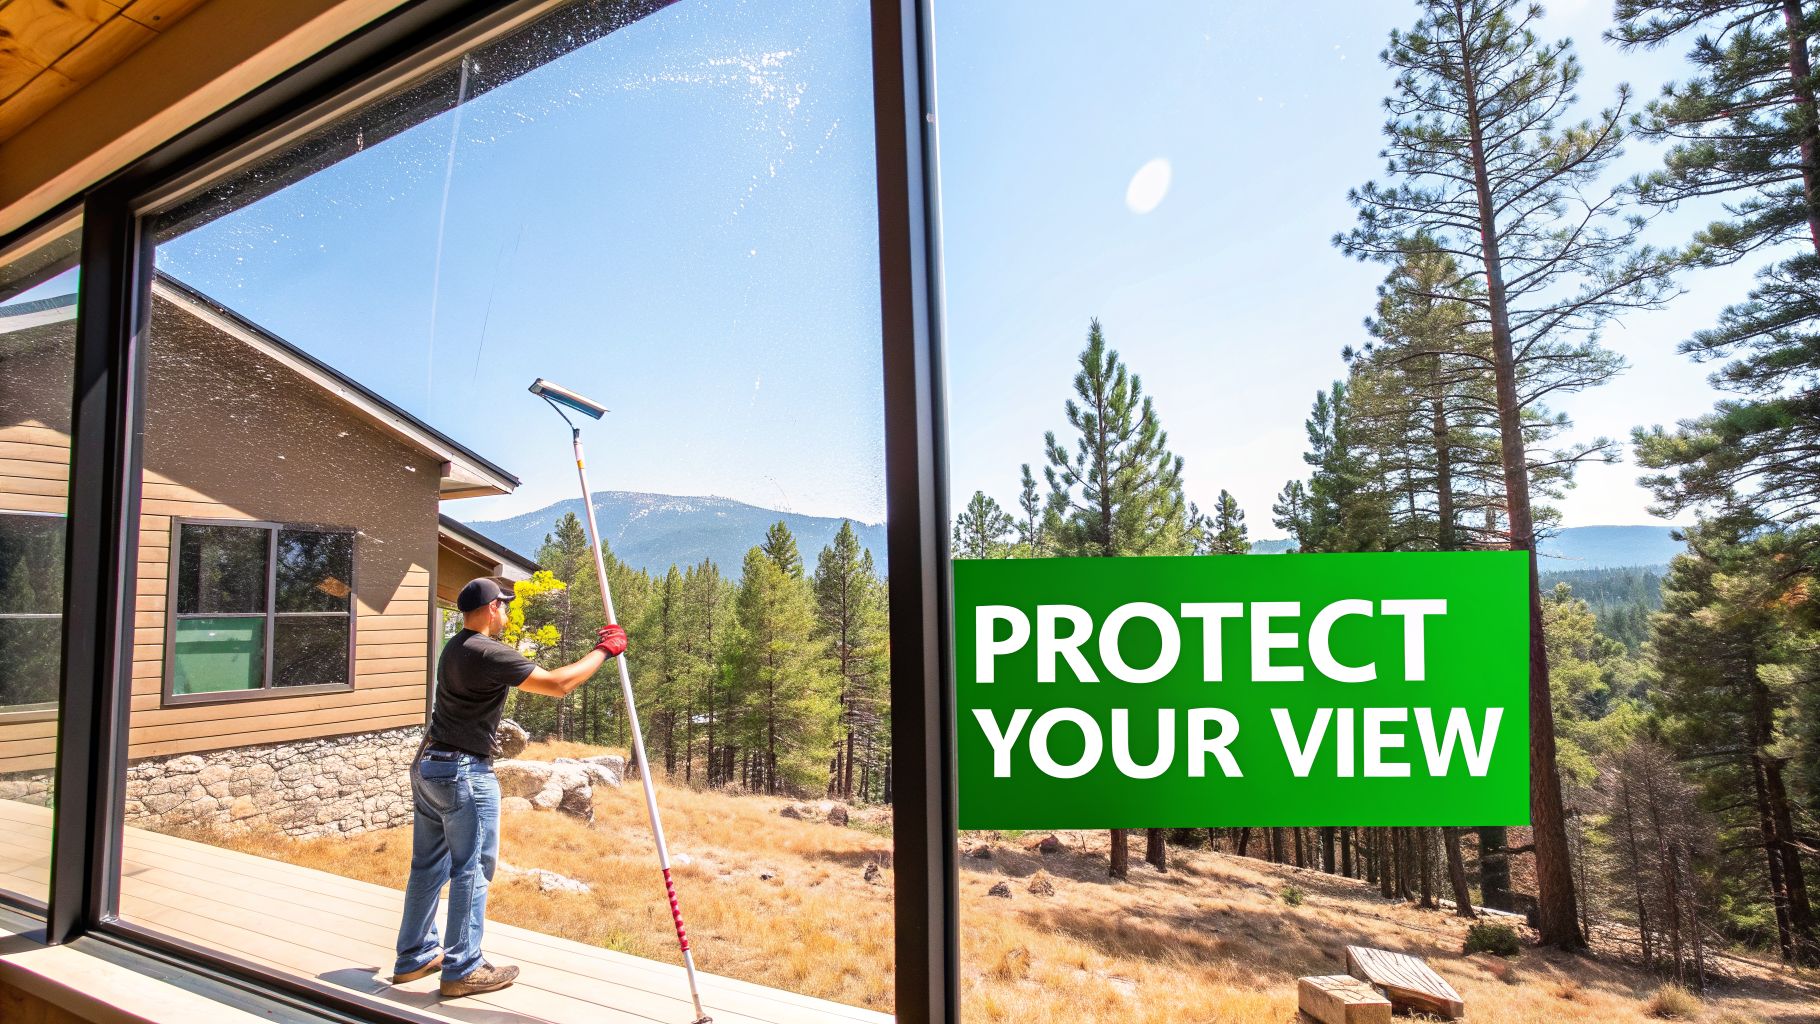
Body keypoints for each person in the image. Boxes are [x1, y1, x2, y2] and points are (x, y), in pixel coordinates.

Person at [392, 575, 628, 997]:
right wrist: (605, 650)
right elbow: (558, 684)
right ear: (491, 609)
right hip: (464, 773)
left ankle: (414, 956)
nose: (506, 612)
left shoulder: (455, 647)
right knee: (473, 869)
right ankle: (462, 967)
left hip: (429, 765)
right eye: (503, 604)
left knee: (428, 866)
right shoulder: (486, 651)